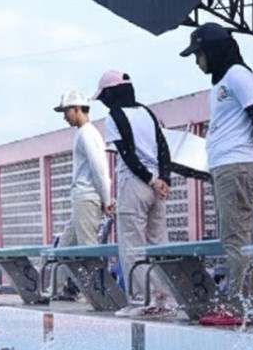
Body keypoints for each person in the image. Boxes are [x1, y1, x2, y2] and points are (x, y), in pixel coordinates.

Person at [180, 23, 253, 326]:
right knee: (238, 236)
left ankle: (240, 306)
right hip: (228, 166)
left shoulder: (238, 75)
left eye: (198, 54)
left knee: (236, 238)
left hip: (237, 165)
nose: (197, 61)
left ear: (213, 50)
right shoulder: (221, 83)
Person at [93, 70, 175, 318]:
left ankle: (142, 300)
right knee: (158, 242)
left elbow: (127, 154)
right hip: (157, 183)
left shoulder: (114, 117)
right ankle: (165, 299)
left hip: (135, 183)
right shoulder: (147, 112)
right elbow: (163, 148)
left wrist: (149, 179)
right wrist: (163, 179)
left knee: (132, 245)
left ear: (111, 93)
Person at [55, 89, 114, 247]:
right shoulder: (84, 133)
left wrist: (106, 199)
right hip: (82, 199)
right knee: (63, 251)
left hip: (86, 198)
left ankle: (96, 273)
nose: (64, 116)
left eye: (66, 111)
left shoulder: (87, 134)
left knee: (87, 249)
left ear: (77, 109)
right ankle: (65, 273)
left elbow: (99, 168)